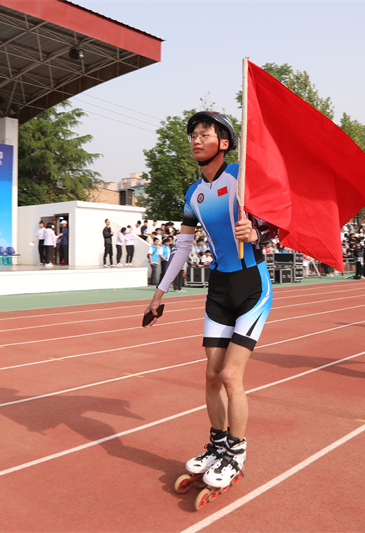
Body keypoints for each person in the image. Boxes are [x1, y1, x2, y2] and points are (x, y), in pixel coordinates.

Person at [143, 111, 277, 491]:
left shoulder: (242, 177)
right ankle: (217, 445)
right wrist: (159, 293)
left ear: (224, 142)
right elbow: (183, 246)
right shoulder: (193, 194)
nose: (196, 140)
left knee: (231, 375)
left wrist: (257, 233)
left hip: (252, 286)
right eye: (193, 136)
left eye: (204, 134)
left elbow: (275, 220)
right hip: (218, 289)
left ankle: (236, 452)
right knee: (211, 375)